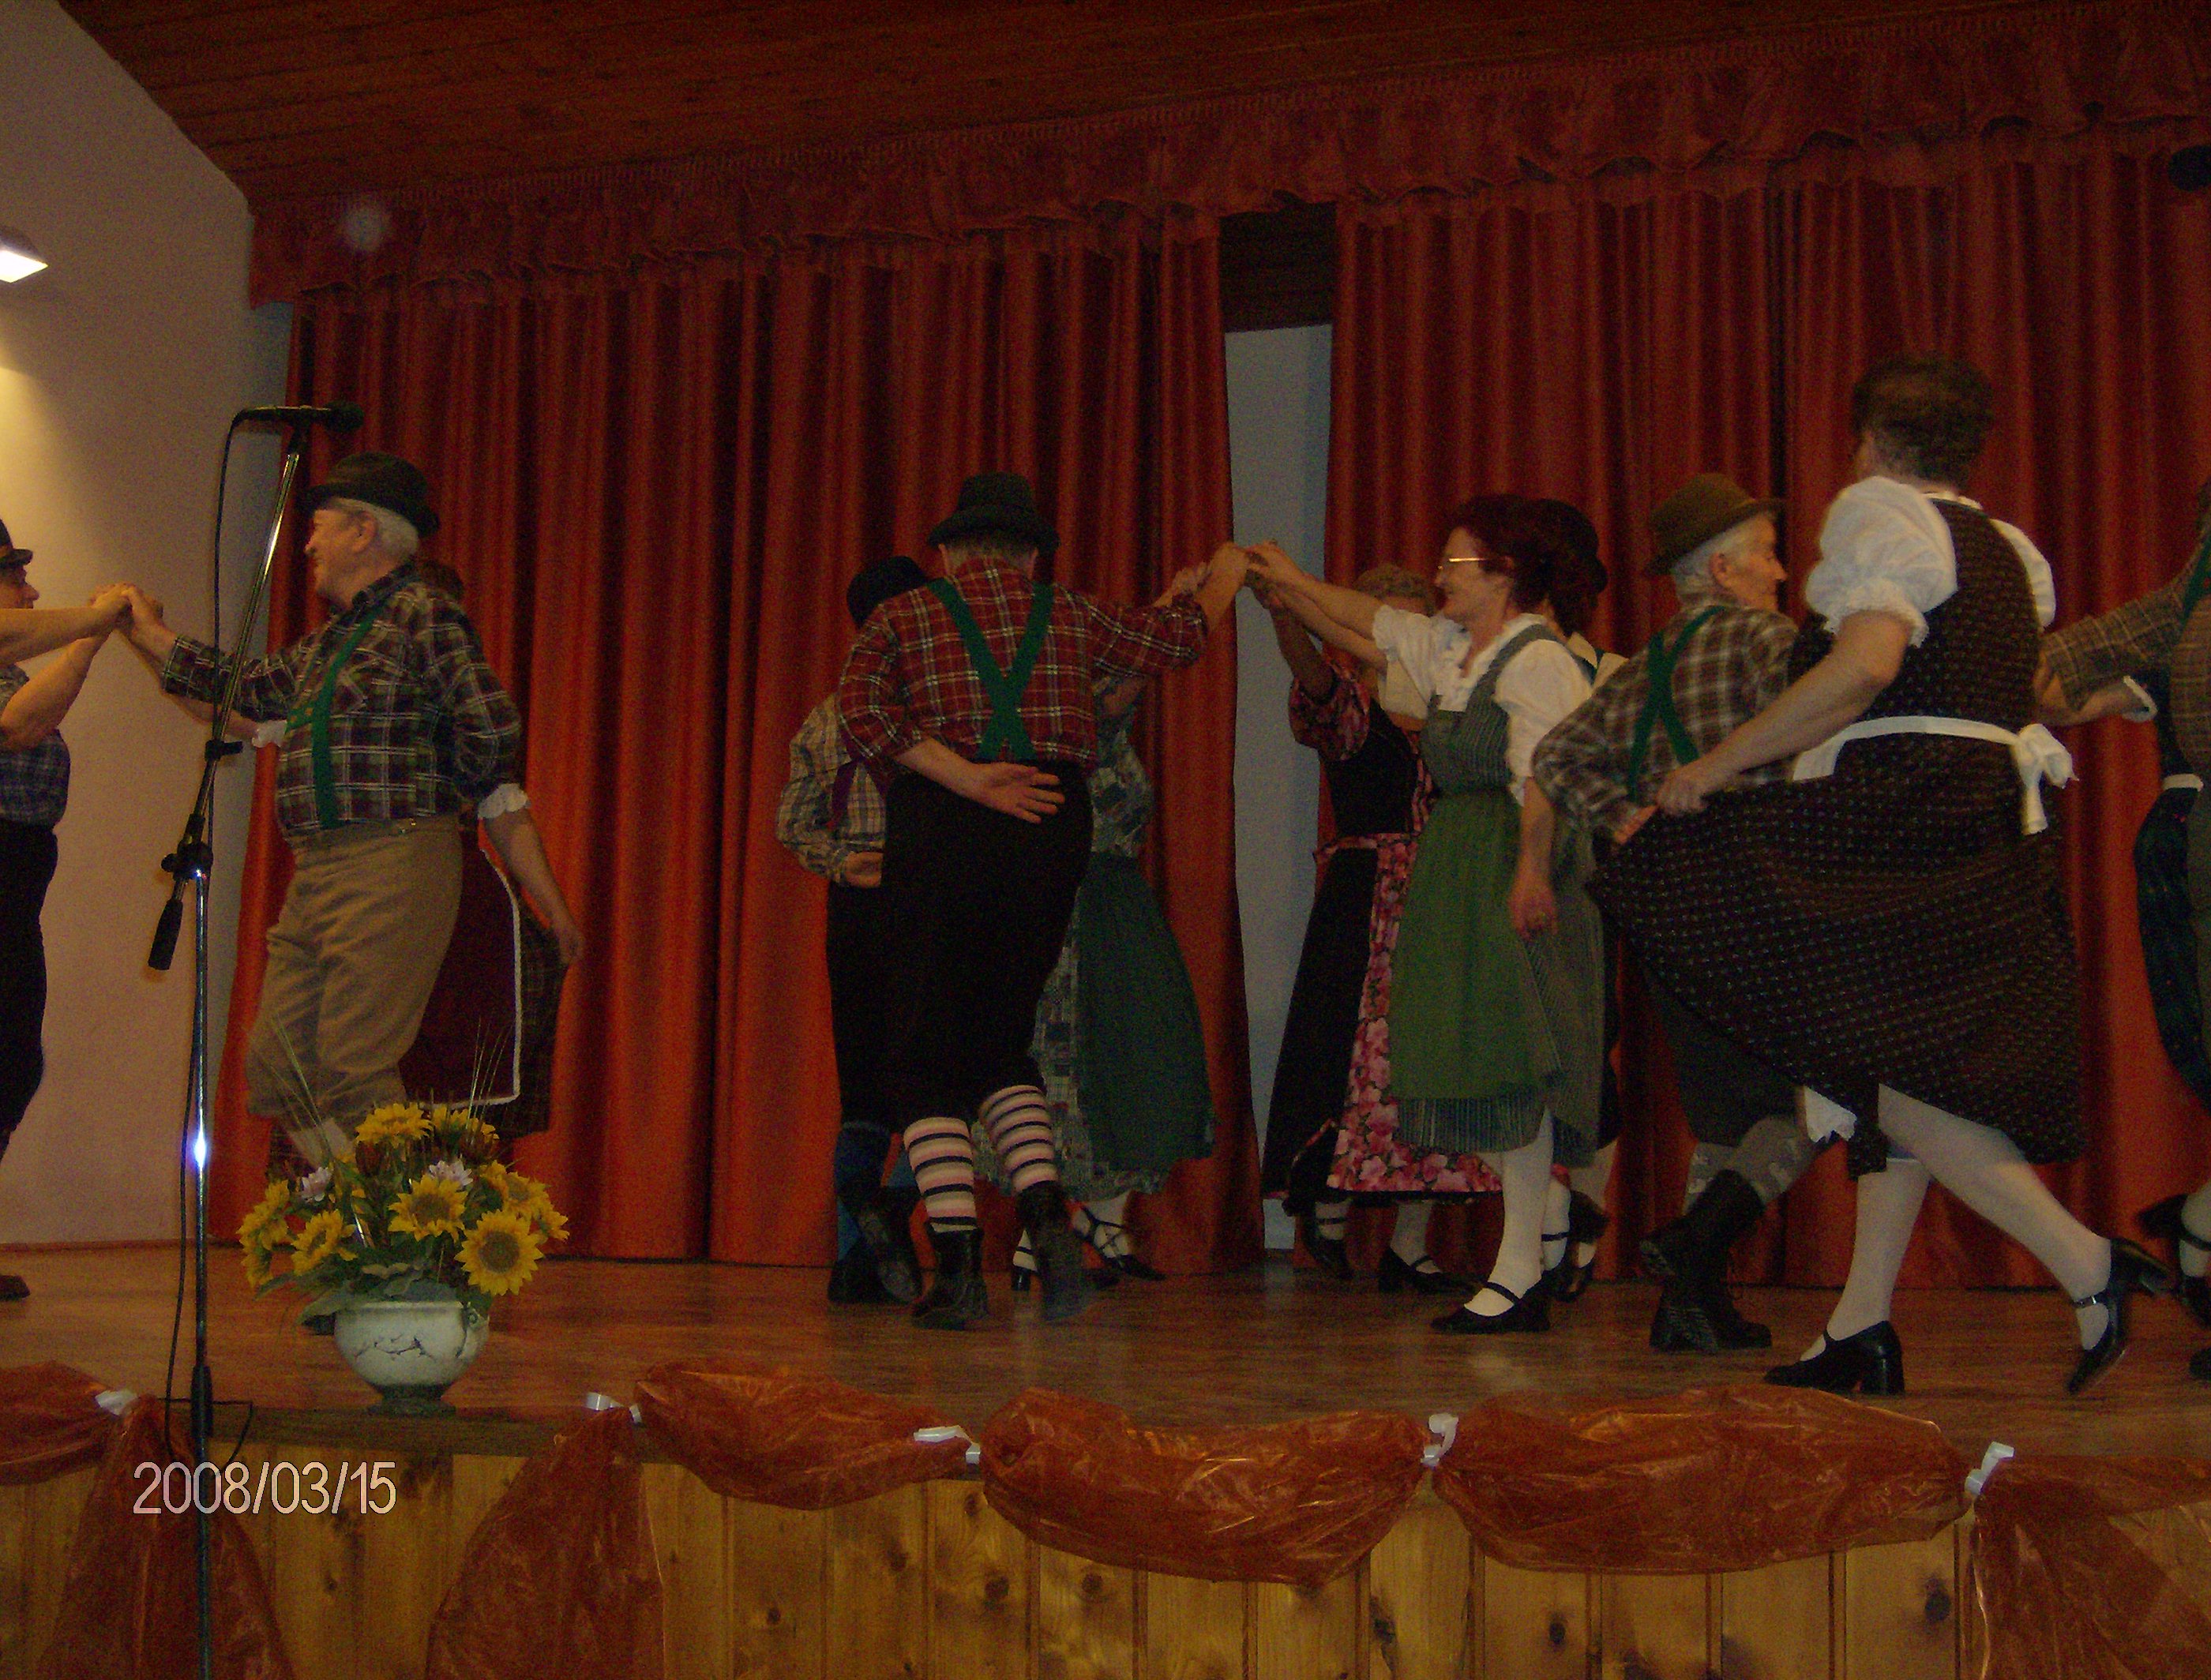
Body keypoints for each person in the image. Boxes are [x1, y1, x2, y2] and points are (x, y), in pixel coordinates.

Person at [1596, 355, 2170, 1397]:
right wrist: (2125, 696)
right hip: (1981, 812)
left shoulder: (1879, 511)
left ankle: (2089, 1264)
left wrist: (1710, 770)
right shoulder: (2007, 548)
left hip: (1905, 806)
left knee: (1864, 1052)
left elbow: (1865, 665)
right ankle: (1859, 1326)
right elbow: (2026, 690)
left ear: (1867, 441)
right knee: (1888, 1069)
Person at [837, 471, 1244, 1329]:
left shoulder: (903, 617)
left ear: (949, 553)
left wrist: (969, 779)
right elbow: (1176, 641)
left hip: (945, 821)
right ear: (1030, 556)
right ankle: (1049, 1220)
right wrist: (1226, 578)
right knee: (1000, 1042)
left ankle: (956, 1269)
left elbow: (862, 713)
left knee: (922, 1054)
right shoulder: (1070, 612)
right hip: (1049, 824)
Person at [1251, 496, 1603, 1334]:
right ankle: (1530, 1251)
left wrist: (1530, 873)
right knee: (1473, 1056)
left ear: (1505, 573)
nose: (1442, 576)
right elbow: (1360, 618)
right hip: (1459, 864)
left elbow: (1545, 779)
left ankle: (1522, 1265)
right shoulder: (1455, 648)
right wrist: (1288, 583)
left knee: (1515, 1059)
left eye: (1456, 563)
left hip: (1509, 857)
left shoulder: (1537, 659)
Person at [118, 452, 524, 1166]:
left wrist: (434, 796)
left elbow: (492, 728)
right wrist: (146, 632)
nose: (307, 544)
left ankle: (410, 1225)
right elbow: (246, 686)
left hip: (392, 855)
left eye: (321, 527)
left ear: (364, 532)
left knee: (353, 1064)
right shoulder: (336, 638)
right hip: (322, 867)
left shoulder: (424, 613)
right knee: (279, 1066)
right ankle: (364, 1213)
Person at [1535, 474, 1825, 1352]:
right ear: (1725, 569)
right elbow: (1819, 727)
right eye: (1767, 555)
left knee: (1723, 1114)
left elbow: (1555, 756)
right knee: (1807, 1105)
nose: (1782, 571)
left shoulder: (1643, 664)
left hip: (1668, 894)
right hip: (1756, 880)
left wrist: (1624, 818)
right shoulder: (1766, 639)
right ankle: (1693, 1243)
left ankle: (1688, 1304)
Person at [1256, 561, 1494, 1293]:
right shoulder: (1353, 706)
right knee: (1346, 1055)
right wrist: (1285, 614)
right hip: (1365, 903)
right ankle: (1328, 1211)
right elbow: (1311, 675)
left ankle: (1410, 1242)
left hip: (1443, 897)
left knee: (1434, 1062)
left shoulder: (1454, 710)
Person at [2039, 475, 2211, 1381]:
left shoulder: (2178, 618)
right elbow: (2061, 688)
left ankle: (2198, 1234)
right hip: (2190, 837)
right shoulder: (2181, 617)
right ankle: (2197, 1239)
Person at [992, 666, 1215, 1289]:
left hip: (1118, 905)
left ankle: (1104, 1217)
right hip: (1063, 907)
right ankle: (1040, 1235)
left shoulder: (1115, 739)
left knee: (1141, 1059)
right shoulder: (1057, 737)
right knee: (1061, 1067)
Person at [776, 555, 930, 1306]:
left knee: (865, 1093)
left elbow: (793, 825)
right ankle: (886, 1215)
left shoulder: (829, 713)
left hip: (861, 909)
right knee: (945, 1083)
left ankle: (856, 1260)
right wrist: (853, 864)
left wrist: (843, 863)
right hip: (928, 905)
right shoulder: (946, 710)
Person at [0, 520, 131, 1303]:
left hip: (16, 879)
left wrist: (89, 634)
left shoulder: (11, 671)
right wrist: (92, 628)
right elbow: (21, 726)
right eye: (15, 579)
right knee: (8, 1054)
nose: (32, 592)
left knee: (12, 1056)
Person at [1529, 497, 1625, 1301]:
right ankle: (1544, 1221)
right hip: (1514, 871)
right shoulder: (1484, 664)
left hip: (1590, 880)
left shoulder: (1614, 673)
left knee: (1588, 1045)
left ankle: (1577, 1217)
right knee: (1529, 1049)